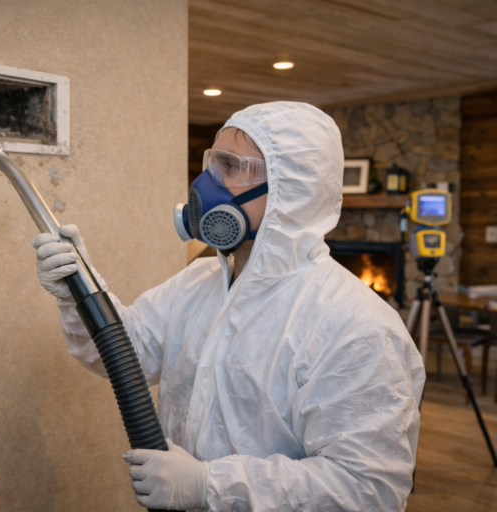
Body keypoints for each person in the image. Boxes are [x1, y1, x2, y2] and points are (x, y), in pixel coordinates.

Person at [32, 102, 425, 511]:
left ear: (291, 192)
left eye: (231, 166)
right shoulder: (198, 284)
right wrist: (81, 290)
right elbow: (125, 356)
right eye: (211, 163)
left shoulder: (353, 324)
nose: (207, 182)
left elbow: (365, 489)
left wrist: (212, 486)